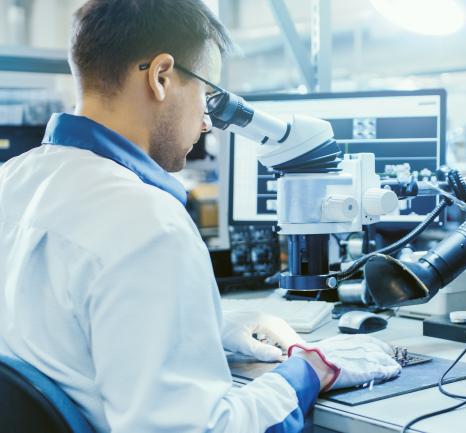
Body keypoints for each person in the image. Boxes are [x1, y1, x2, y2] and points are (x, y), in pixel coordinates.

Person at [0, 1, 400, 432]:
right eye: (207, 96)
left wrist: (211, 327)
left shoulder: (14, 179)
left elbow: (59, 333)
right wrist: (310, 369)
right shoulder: (147, 223)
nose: (207, 122)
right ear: (160, 77)